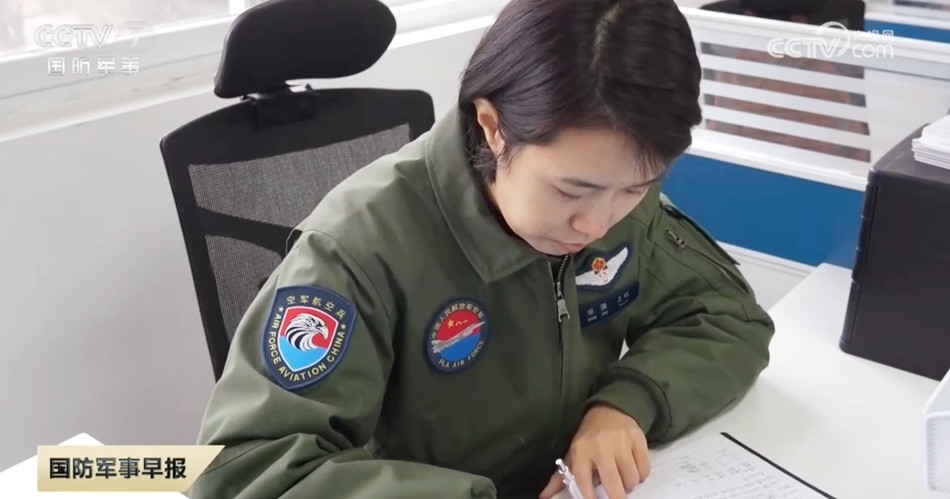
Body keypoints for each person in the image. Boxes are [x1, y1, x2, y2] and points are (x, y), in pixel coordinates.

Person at [189, 0, 775, 498]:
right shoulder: (356, 250)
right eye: (572, 190)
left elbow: (725, 317)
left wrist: (625, 405)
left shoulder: (612, 195)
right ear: (494, 127)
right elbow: (244, 472)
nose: (597, 223)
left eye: (637, 188)